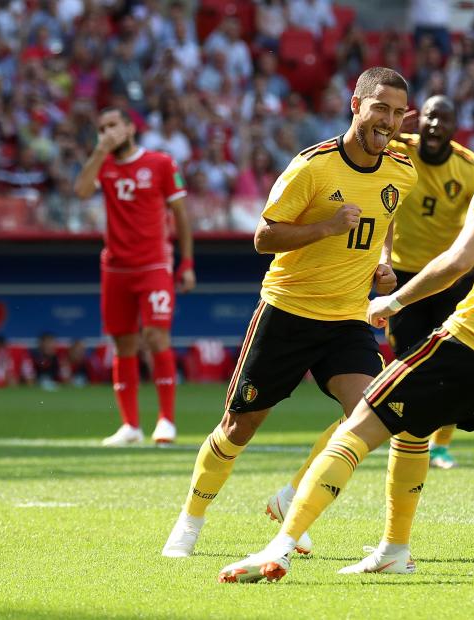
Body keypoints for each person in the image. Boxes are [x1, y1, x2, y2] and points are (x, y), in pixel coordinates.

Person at [218, 86, 474, 583]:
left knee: (359, 422)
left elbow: (459, 261)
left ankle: (279, 548)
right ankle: (394, 549)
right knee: (414, 428)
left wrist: (393, 301)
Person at [161, 67, 417, 560]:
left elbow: (386, 217)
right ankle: (190, 520)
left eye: (399, 112)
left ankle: (290, 500)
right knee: (239, 428)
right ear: (356, 105)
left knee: (370, 412)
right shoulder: (311, 166)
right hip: (288, 312)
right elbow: (264, 237)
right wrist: (324, 227)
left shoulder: (401, 168)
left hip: (346, 318)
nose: (389, 120)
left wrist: (384, 263)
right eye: (381, 108)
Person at [74, 107, 196, 446]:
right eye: (101, 127)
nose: (107, 131)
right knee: (123, 343)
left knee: (157, 337)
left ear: (129, 128)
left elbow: (181, 215)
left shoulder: (160, 163)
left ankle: (166, 421)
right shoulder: (104, 164)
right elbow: (82, 191)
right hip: (115, 268)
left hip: (154, 265)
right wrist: (99, 151)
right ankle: (130, 426)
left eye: (113, 125)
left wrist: (186, 263)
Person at [387, 95, 474, 469]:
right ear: (420, 118)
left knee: (451, 362)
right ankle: (407, 436)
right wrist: (392, 130)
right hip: (403, 275)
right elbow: (355, 143)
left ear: (454, 125)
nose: (435, 125)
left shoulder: (470, 168)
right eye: (430, 116)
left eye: (444, 119)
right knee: (406, 361)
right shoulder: (399, 148)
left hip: (449, 278)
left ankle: (440, 446)